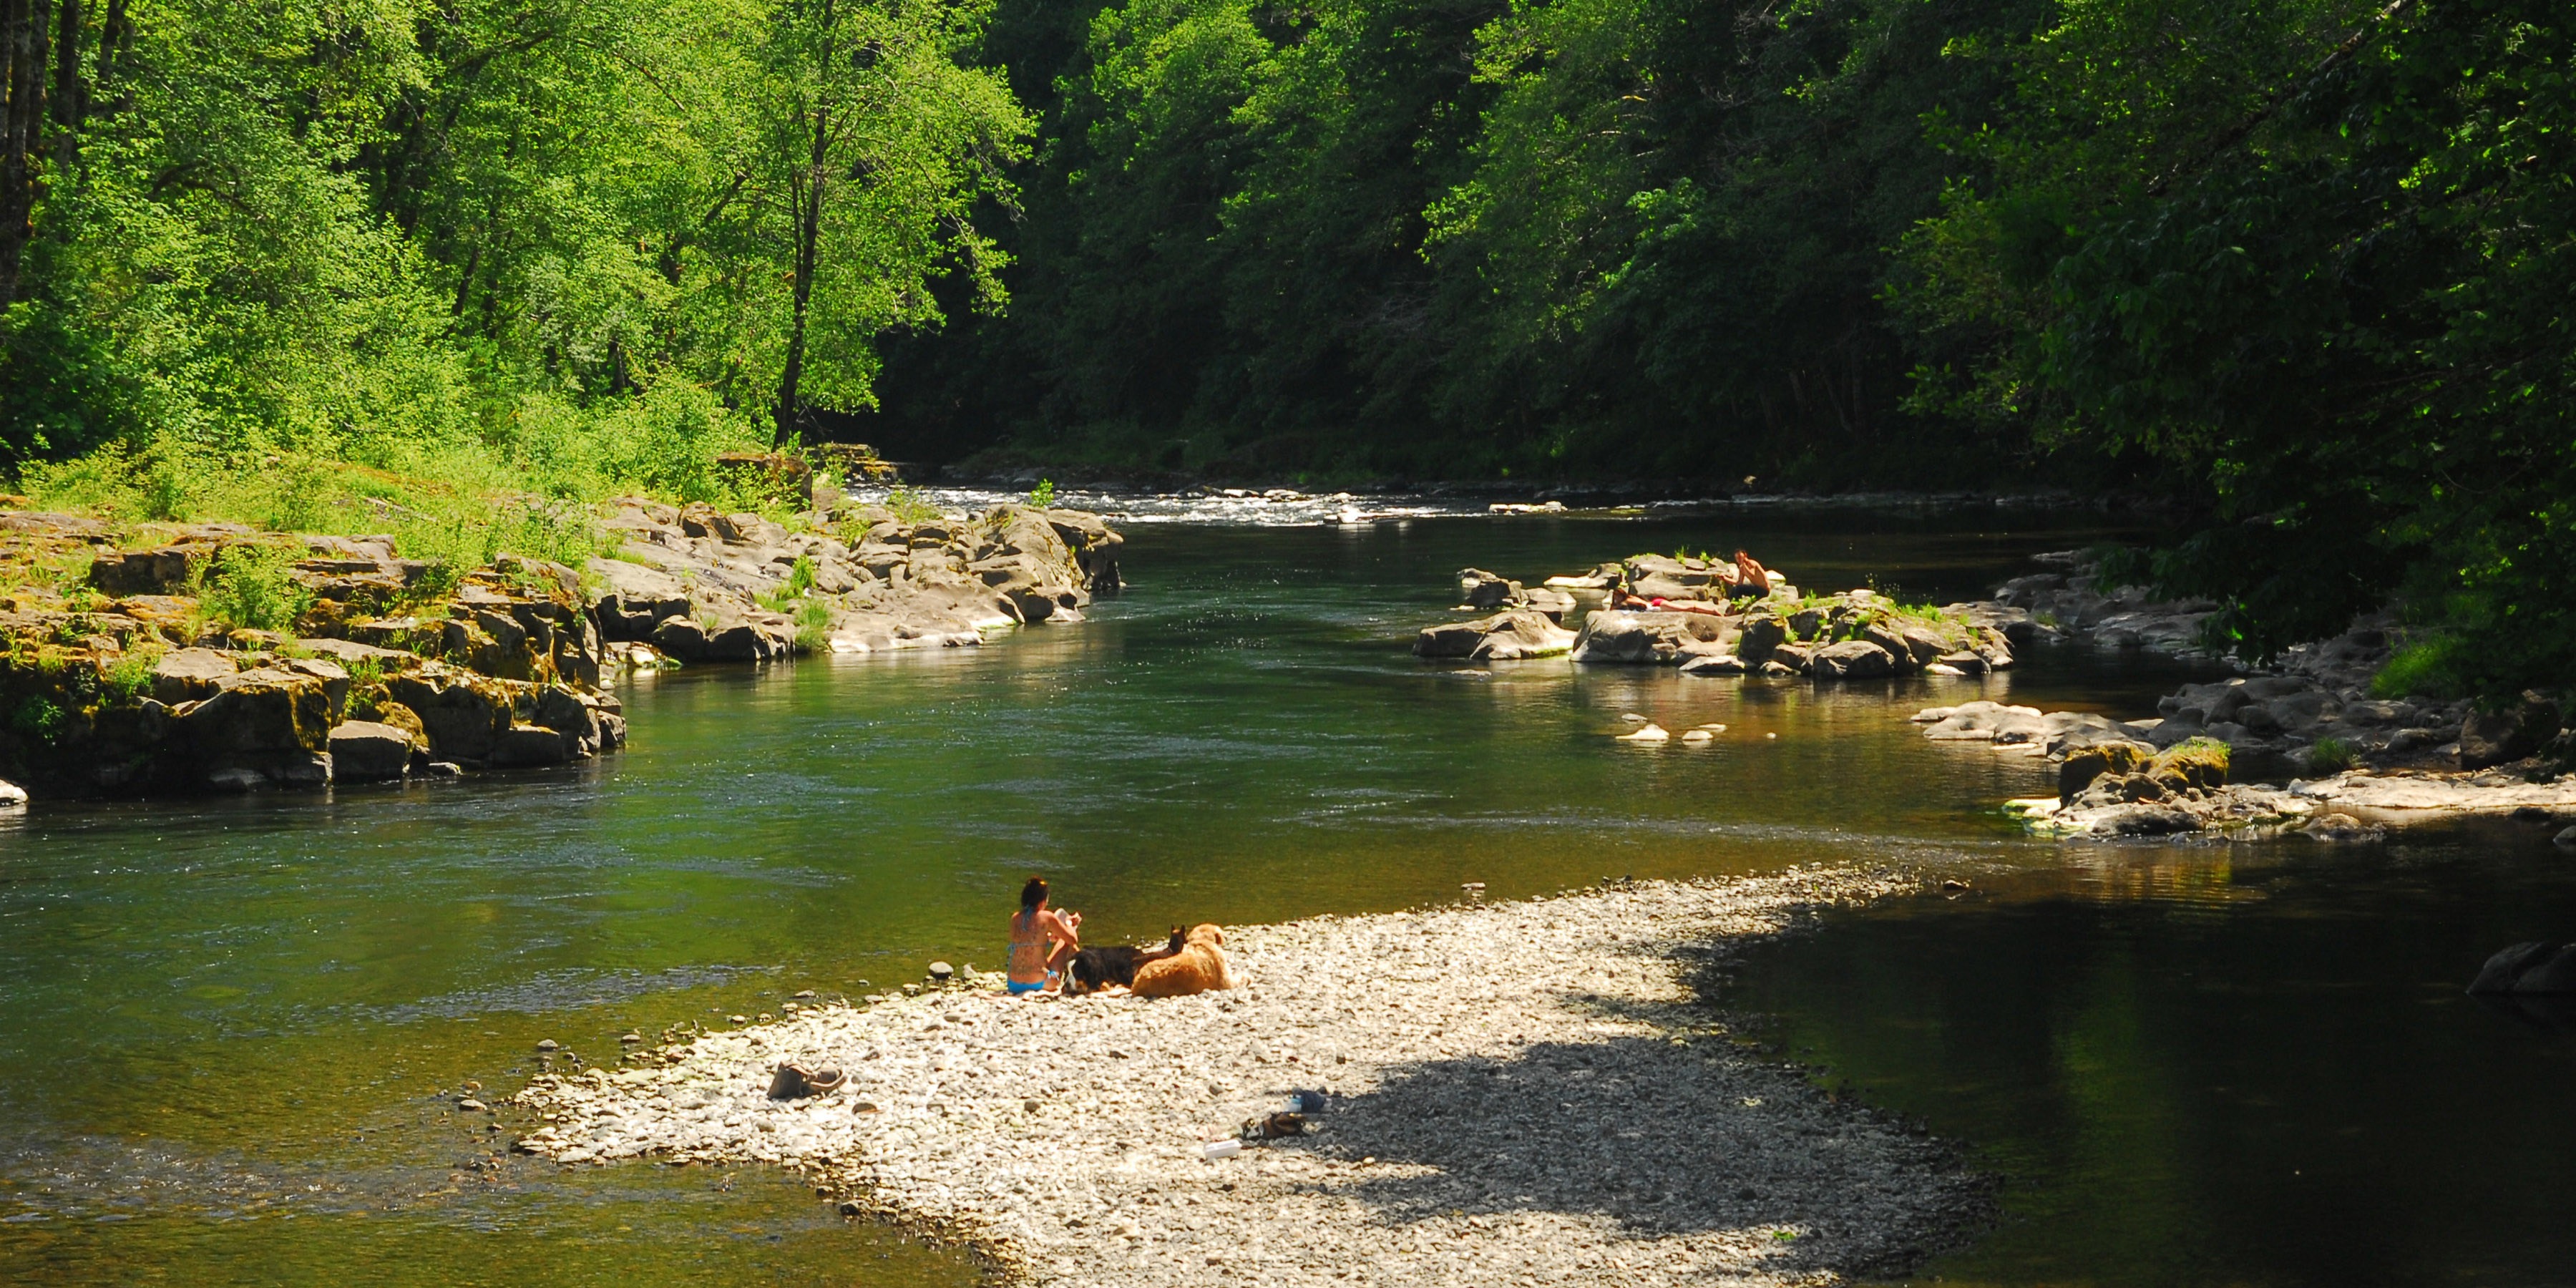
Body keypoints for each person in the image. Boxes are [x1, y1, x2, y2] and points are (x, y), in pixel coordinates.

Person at [1006, 877, 1082, 995]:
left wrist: (1049, 937)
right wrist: (1069, 923)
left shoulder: (1015, 918)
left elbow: (1028, 940)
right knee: (1067, 941)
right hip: (1041, 983)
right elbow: (1073, 939)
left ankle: (1080, 961)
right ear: (1042, 902)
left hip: (1013, 984)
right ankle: (1081, 964)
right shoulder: (1047, 917)